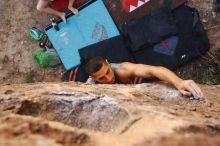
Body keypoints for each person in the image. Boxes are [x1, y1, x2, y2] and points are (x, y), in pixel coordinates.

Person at [85, 56, 204, 99]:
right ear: (93, 78)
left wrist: (179, 82)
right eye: (102, 79)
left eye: (108, 71)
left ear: (108, 63)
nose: (109, 78)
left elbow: (153, 70)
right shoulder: (90, 89)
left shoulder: (123, 69)